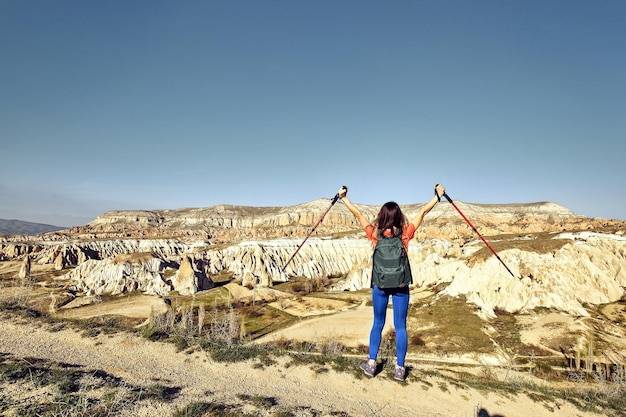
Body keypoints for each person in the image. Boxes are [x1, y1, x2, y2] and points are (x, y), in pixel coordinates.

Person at [338, 184, 445, 382]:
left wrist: (343, 197)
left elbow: (358, 213)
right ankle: (400, 368)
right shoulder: (405, 234)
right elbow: (423, 211)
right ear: (398, 217)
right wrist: (438, 196)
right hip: (401, 287)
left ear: (382, 216)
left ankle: (371, 364)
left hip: (380, 285)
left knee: (378, 323)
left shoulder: (374, 234)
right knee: (401, 326)